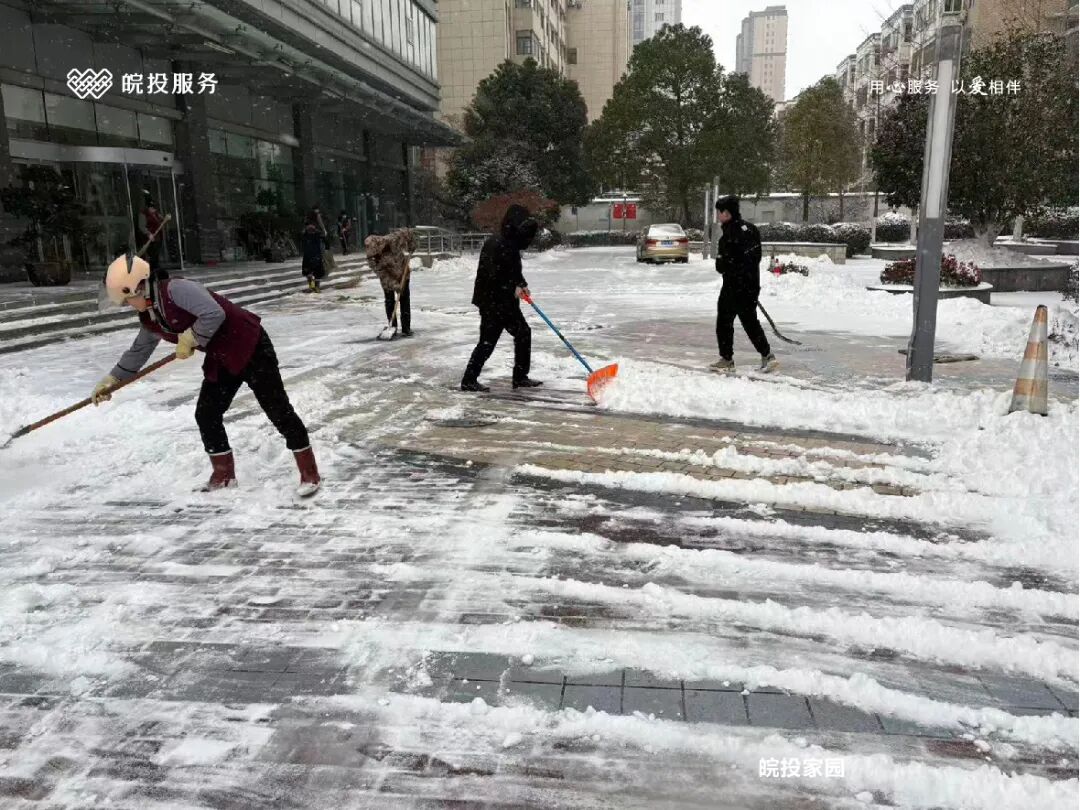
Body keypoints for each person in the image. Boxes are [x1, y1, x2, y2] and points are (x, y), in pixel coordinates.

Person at [91, 253, 321, 497]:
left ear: (138, 287)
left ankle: (309, 472)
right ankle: (223, 475)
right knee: (207, 413)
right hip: (221, 357)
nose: (128, 305)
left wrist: (191, 337)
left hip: (250, 345)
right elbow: (139, 350)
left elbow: (213, 313)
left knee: (277, 409)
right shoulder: (150, 315)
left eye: (127, 300)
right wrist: (112, 379)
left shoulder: (176, 290)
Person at [460, 204, 543, 392]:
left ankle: (518, 377)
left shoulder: (510, 243)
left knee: (514, 335)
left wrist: (522, 284)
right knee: (493, 340)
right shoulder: (497, 244)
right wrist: (513, 288)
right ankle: (470, 380)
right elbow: (493, 275)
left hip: (503, 302)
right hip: (493, 302)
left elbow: (512, 271)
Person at [712, 195, 777, 374]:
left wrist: (725, 263)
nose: (718, 215)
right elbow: (755, 258)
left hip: (733, 287)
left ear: (727, 213)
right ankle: (767, 355)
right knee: (750, 322)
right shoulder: (752, 229)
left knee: (724, 322)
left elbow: (721, 266)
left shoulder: (728, 237)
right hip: (751, 285)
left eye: (719, 212)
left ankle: (727, 359)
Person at [364, 229, 415, 337]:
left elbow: (408, 233)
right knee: (389, 301)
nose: (375, 255)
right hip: (388, 279)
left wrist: (412, 244)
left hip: (403, 273)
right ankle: (392, 326)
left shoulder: (392, 239)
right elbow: (383, 276)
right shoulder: (373, 260)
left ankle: (406, 328)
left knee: (404, 299)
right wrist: (395, 286)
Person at [300, 209, 325, 293]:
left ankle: (316, 287)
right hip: (309, 254)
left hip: (315, 254)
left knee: (316, 272)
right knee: (309, 272)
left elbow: (323, 240)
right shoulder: (306, 233)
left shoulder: (317, 233)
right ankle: (312, 287)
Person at [140, 199, 165, 273]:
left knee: (156, 253)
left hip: (157, 237)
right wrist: (148, 234)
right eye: (151, 208)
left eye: (154, 208)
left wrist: (164, 218)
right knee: (152, 254)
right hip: (149, 238)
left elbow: (162, 220)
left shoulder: (156, 214)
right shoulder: (143, 214)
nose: (153, 209)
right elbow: (142, 226)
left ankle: (155, 268)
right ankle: (151, 269)